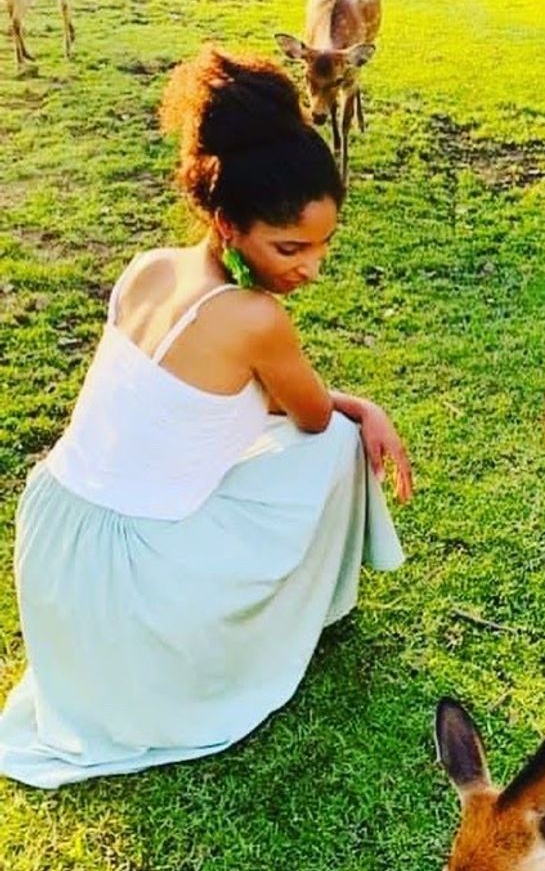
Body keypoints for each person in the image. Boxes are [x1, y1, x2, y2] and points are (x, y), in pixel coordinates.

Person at [0, 48, 412, 789]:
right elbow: (315, 419)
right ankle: (317, 606)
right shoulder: (255, 319)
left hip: (54, 540)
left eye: (325, 245)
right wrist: (365, 408)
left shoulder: (149, 268)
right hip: (124, 582)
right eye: (290, 248)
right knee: (342, 444)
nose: (311, 268)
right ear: (226, 219)